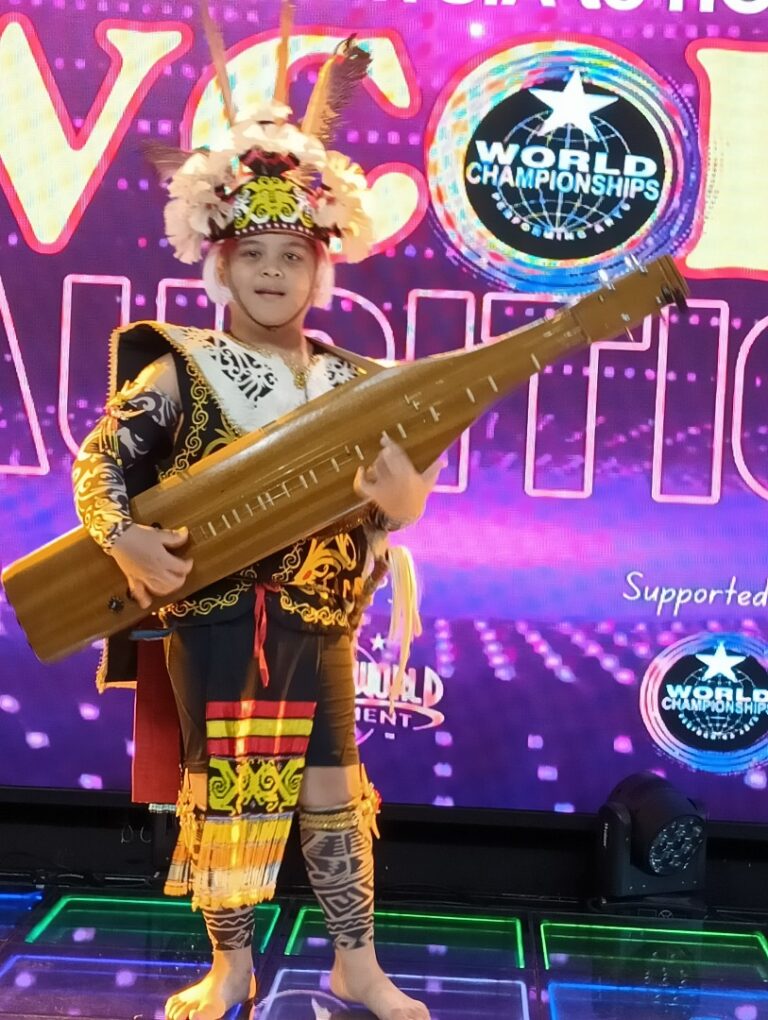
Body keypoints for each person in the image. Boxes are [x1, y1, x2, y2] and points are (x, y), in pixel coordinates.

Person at [70, 26, 439, 1020]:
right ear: (221, 266)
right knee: (229, 794)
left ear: (321, 270)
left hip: (322, 618)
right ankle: (230, 968)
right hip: (219, 617)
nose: (274, 272)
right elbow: (101, 463)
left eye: (293, 256)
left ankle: (355, 965)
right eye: (255, 255)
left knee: (335, 791)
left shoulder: (352, 382)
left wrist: (404, 506)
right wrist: (124, 537)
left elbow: (403, 484)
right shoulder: (180, 369)